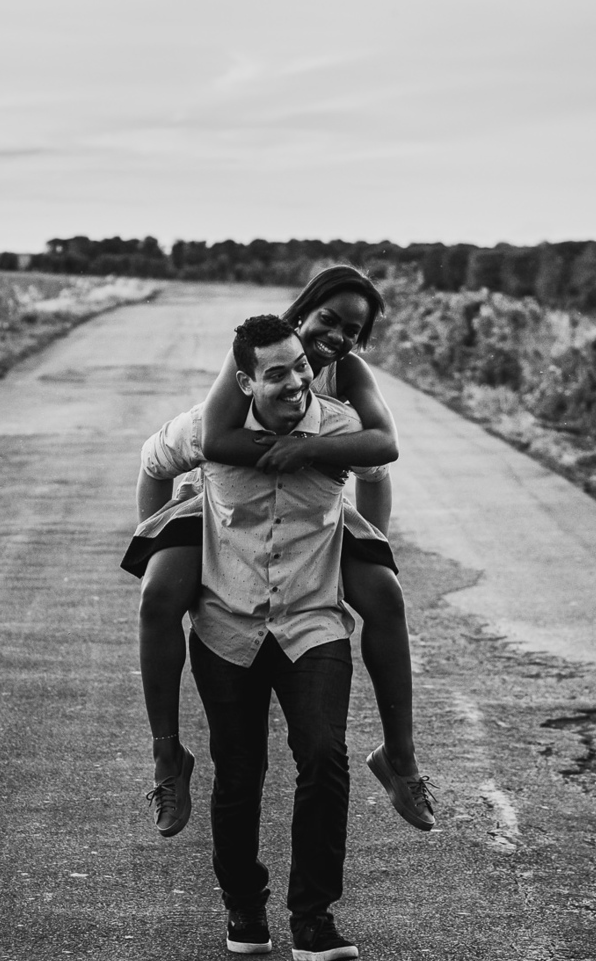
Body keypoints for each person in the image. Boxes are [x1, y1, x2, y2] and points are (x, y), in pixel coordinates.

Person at [121, 266, 433, 839]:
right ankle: (168, 757)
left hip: (316, 510)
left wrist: (359, 540)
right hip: (225, 503)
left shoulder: (350, 378)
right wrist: (156, 531)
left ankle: (400, 754)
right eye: (328, 319)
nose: (336, 335)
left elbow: (381, 457)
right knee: (159, 592)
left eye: (351, 330)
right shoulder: (253, 356)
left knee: (384, 593)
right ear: (303, 310)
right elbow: (209, 442)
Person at [136, 313, 367, 961]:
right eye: (276, 373)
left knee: (324, 755)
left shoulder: (342, 428)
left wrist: (367, 556)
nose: (295, 381)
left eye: (299, 365)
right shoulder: (204, 433)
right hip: (227, 624)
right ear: (245, 382)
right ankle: (242, 902)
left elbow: (377, 476)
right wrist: (164, 542)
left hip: (313, 621)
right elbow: (151, 463)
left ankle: (314, 918)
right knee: (240, 772)